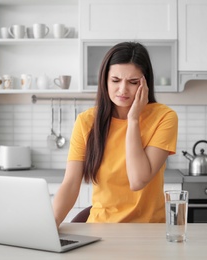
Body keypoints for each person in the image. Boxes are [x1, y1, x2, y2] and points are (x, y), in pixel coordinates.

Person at [53, 42, 178, 227]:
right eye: (116, 80)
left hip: (150, 231)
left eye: (133, 82)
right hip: (100, 229)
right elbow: (70, 184)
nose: (123, 90)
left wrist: (133, 118)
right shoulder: (86, 121)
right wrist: (50, 225)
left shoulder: (164, 117)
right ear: (105, 80)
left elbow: (138, 180)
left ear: (145, 83)